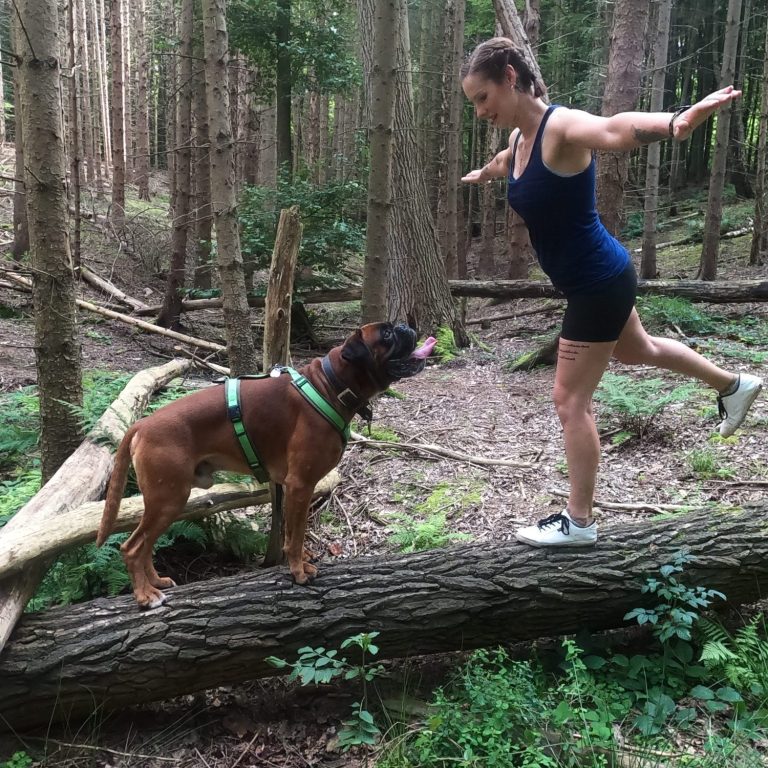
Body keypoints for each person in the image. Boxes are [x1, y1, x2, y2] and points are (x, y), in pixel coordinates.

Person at [460, 37, 763, 548]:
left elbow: (614, 129)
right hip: (599, 277)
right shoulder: (518, 142)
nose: (480, 111)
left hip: (597, 283)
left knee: (568, 401)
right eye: (474, 104)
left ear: (510, 78)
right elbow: (501, 163)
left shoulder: (561, 127)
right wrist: (485, 174)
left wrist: (677, 122)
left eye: (483, 98)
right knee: (637, 349)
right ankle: (734, 385)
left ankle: (580, 524)